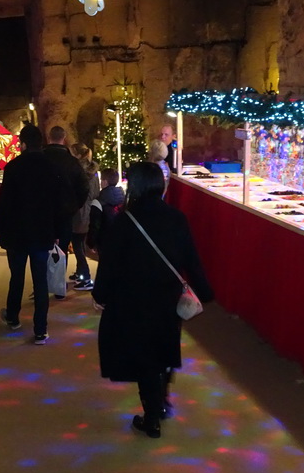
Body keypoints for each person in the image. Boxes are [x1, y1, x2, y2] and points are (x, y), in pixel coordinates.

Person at [92, 161, 214, 438]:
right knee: (164, 348)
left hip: (132, 299)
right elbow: (191, 260)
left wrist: (100, 295)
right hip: (167, 297)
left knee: (143, 355)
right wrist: (204, 292)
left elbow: (110, 264)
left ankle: (152, 415)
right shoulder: (176, 218)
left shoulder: (125, 220)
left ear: (134, 186)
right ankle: (161, 399)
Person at [0, 123, 62, 344]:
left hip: (17, 230)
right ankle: (41, 329)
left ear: (22, 143)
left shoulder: (14, 167)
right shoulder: (51, 167)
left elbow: (5, 201)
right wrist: (57, 230)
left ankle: (13, 317)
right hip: (42, 231)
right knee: (41, 280)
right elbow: (57, 203)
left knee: (17, 276)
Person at [42, 125, 90, 294]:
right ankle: (59, 287)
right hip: (65, 212)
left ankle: (41, 285)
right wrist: (75, 205)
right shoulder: (72, 162)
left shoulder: (41, 159)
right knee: (61, 250)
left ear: (49, 138)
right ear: (64, 139)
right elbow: (84, 187)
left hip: (43, 212)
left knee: (42, 249)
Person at [69, 143, 100, 290]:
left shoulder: (78, 171)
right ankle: (80, 272)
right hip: (89, 210)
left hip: (80, 211)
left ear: (78, 155)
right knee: (80, 242)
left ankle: (85, 276)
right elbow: (95, 192)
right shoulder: (93, 171)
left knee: (78, 244)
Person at [87, 167, 125, 258]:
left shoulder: (98, 201)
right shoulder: (122, 199)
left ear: (105, 181)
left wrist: (91, 243)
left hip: (104, 240)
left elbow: (95, 225)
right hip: (120, 238)